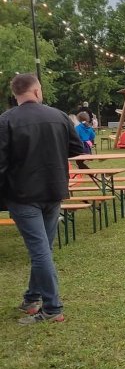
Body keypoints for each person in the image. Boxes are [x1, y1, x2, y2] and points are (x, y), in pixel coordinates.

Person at [0, 73, 83, 324]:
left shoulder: (6, 120)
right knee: (43, 248)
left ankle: (52, 307)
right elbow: (77, 148)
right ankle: (32, 297)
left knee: (40, 250)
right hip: (54, 190)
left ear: (15, 94)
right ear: (37, 91)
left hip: (23, 194)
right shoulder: (59, 116)